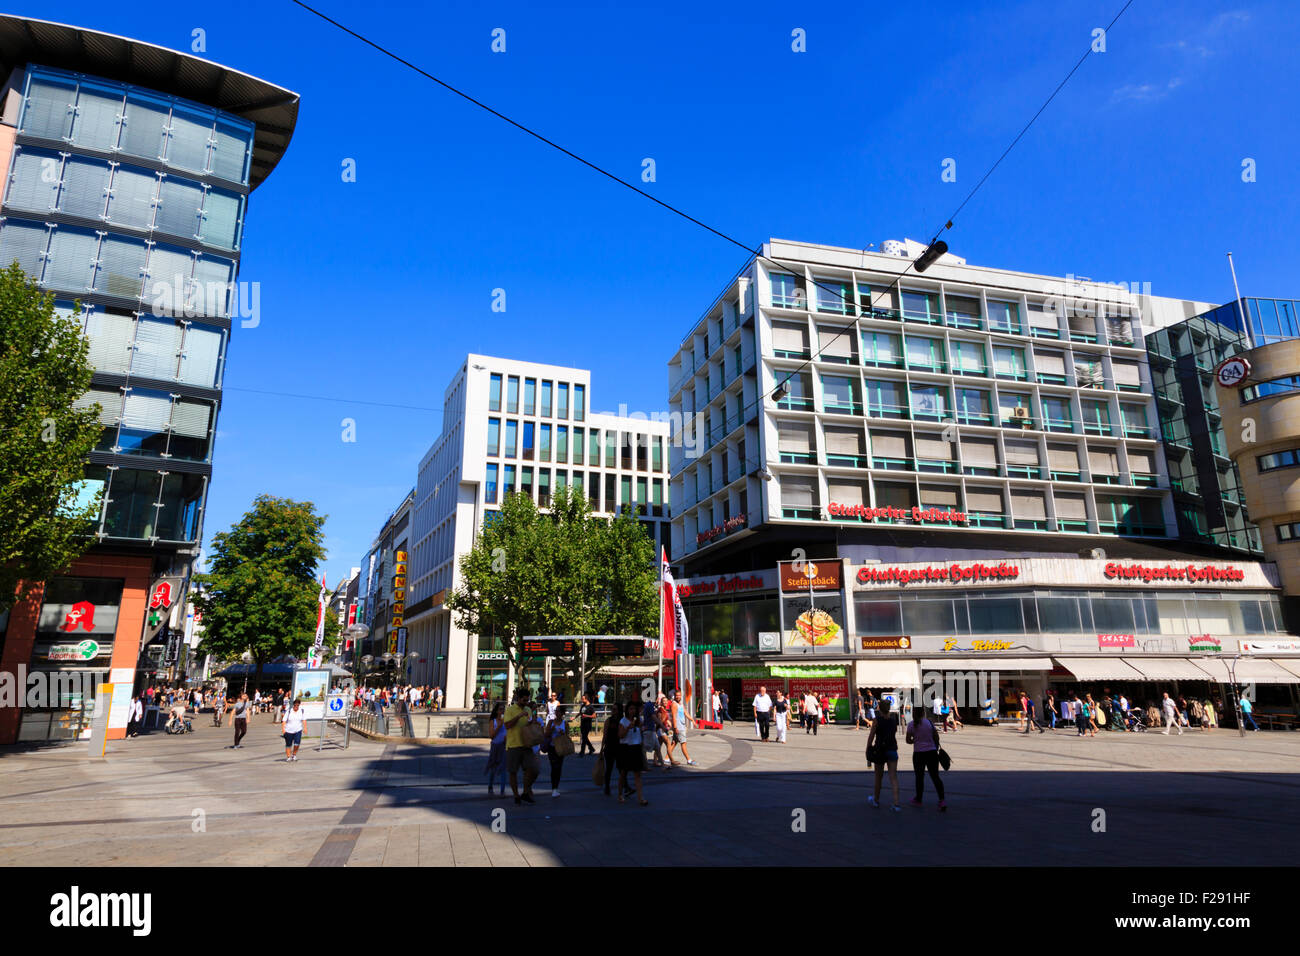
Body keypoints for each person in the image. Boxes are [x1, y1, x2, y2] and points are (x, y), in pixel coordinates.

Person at [905, 704, 946, 810]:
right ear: (923, 713)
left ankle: (918, 799)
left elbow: (908, 740)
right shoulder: (929, 723)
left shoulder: (911, 725)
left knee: (919, 777)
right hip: (931, 752)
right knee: (935, 777)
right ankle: (942, 800)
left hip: (919, 754)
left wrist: (916, 740)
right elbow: (936, 736)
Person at [504, 687, 540, 805]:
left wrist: (533, 723)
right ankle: (516, 795)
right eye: (524, 700)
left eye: (527, 700)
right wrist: (519, 716)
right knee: (513, 771)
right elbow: (507, 725)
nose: (526, 702)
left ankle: (526, 791)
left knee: (533, 769)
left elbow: (529, 723)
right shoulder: (510, 710)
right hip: (514, 744)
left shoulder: (528, 710)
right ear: (518, 699)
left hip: (526, 744)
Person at [866, 698, 902, 811]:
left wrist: (868, 748)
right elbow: (894, 732)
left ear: (879, 709)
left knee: (878, 777)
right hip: (892, 749)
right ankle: (896, 804)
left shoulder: (877, 720)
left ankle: (876, 800)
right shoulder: (893, 720)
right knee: (893, 777)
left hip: (880, 750)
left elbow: (871, 736)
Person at [617, 699, 649, 806]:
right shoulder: (623, 721)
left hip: (636, 748)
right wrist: (627, 728)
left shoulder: (639, 720)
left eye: (634, 709)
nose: (633, 711)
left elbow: (640, 732)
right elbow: (620, 735)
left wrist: (642, 729)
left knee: (637, 774)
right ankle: (620, 794)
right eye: (630, 709)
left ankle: (641, 798)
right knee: (623, 773)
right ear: (627, 710)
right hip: (626, 748)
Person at [667, 688, 697, 765]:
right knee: (683, 743)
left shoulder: (681, 704)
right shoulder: (674, 704)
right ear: (674, 696)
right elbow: (673, 716)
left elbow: (685, 713)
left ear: (681, 696)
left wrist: (692, 720)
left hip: (681, 726)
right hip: (679, 727)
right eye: (676, 695)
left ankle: (666, 758)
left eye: (679, 695)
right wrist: (675, 727)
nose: (678, 697)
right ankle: (689, 760)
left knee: (674, 743)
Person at [544, 704, 569, 797]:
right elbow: (546, 734)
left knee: (558, 768)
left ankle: (556, 787)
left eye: (558, 711)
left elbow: (567, 736)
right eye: (556, 711)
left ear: (562, 713)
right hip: (552, 747)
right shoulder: (551, 722)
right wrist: (552, 729)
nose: (556, 713)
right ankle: (553, 788)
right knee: (554, 767)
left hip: (561, 747)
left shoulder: (565, 723)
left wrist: (563, 734)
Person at [485, 703, 509, 794]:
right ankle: (490, 786)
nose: (502, 711)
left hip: (503, 746)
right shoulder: (493, 721)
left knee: (503, 768)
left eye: (503, 709)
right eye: (500, 709)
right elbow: (491, 735)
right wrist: (499, 726)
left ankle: (502, 789)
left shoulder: (506, 721)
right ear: (496, 711)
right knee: (493, 767)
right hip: (495, 746)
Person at [600, 701, 624, 796]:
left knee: (621, 768)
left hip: (620, 747)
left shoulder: (622, 720)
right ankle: (607, 787)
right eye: (612, 709)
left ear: (619, 710)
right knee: (609, 768)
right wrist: (602, 748)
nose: (612, 711)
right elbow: (605, 735)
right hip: (610, 747)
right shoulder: (608, 721)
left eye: (614, 709)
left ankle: (625, 786)